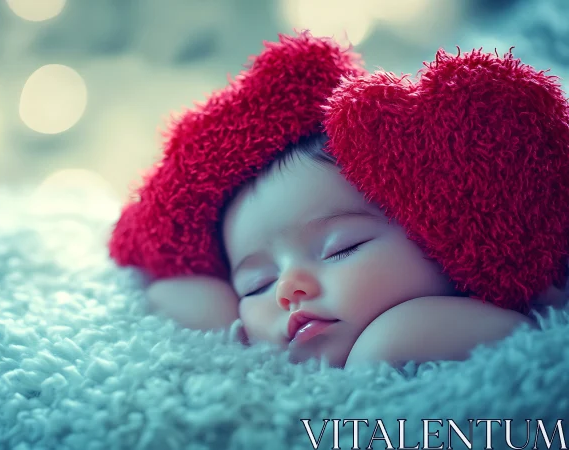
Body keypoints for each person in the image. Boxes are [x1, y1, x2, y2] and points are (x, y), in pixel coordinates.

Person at [108, 32, 569, 368]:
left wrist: (385, 341)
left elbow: (514, 345)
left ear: (437, 231)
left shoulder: (493, 322)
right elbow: (174, 295)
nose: (288, 288)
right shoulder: (268, 360)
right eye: (257, 284)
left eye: (340, 248)